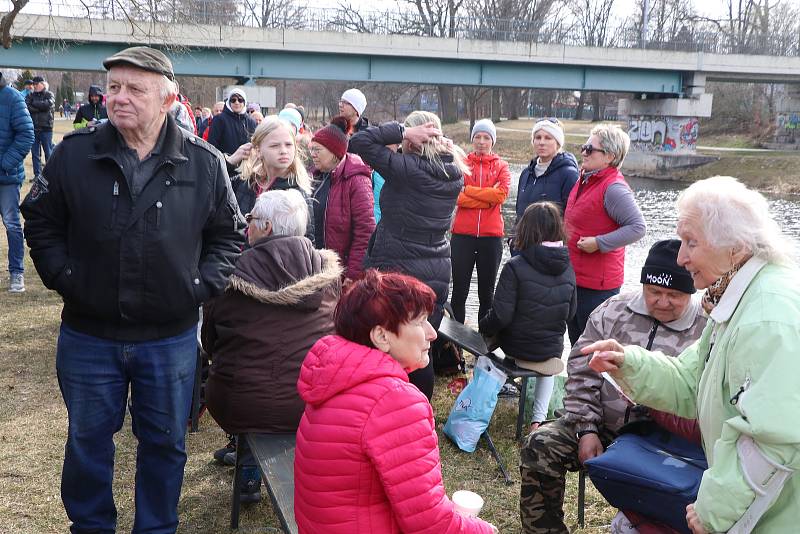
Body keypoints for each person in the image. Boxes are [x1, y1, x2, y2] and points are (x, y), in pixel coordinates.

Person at [20, 46, 245, 533]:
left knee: (165, 444)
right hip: (89, 336)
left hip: (170, 339)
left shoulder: (204, 163)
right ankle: (91, 526)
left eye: (134, 89)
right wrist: (64, 277)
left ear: (168, 99)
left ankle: (156, 528)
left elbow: (229, 234)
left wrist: (200, 285)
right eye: (113, 88)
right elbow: (39, 219)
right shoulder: (74, 154)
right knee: (87, 441)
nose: (118, 98)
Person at [587, 177, 800, 534]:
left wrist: (714, 508)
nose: (681, 257)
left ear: (733, 246)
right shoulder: (737, 299)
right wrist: (629, 363)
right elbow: (692, 382)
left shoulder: (766, 318)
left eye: (691, 243)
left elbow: (773, 441)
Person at [519, 238, 707, 534]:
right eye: (654, 291)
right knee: (540, 445)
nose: (662, 301)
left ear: (691, 292)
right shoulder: (614, 311)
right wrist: (586, 429)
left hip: (662, 440)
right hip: (602, 423)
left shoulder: (706, 327)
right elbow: (581, 371)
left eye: (674, 295)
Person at [294, 269, 498, 534]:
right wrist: (484, 530)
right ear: (381, 336)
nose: (432, 333)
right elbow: (429, 524)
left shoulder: (338, 377)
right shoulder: (394, 402)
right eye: (419, 321)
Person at [203, 189, 341, 503]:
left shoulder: (229, 275)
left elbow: (209, 342)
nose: (245, 224)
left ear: (265, 228)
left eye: (250, 219)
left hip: (241, 402)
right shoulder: (329, 274)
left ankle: (248, 470)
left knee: (242, 381)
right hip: (312, 400)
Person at [349, 111, 469, 400]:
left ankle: (385, 405)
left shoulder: (407, 169)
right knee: (419, 343)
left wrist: (401, 130)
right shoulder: (452, 170)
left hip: (399, 265)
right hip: (437, 265)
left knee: (388, 339)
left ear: (415, 139)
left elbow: (359, 143)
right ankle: (420, 412)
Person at [479, 201, 576, 429]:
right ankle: (537, 420)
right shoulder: (569, 267)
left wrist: (483, 326)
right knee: (547, 366)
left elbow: (501, 316)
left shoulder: (515, 266)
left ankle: (481, 403)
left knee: (484, 345)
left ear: (526, 229)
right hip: (550, 350)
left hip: (517, 348)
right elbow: (570, 313)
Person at [564, 123, 645, 345]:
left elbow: (638, 227)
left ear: (609, 156)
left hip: (597, 287)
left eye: (590, 149)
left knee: (592, 348)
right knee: (576, 344)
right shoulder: (585, 179)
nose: (583, 152)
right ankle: (578, 379)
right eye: (583, 147)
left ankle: (591, 381)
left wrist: (599, 243)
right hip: (576, 279)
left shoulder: (613, 188)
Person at [450, 118, 510, 323]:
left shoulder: (501, 166)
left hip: (491, 238)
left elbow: (501, 195)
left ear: (492, 141)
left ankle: (483, 345)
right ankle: (454, 345)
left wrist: (469, 191)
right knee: (459, 291)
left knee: (487, 294)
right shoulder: (461, 164)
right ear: (472, 139)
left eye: (486, 137)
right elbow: (456, 196)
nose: (481, 142)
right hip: (462, 236)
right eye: (477, 137)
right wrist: (486, 199)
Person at [226, 115, 315, 244]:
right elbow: (212, 192)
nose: (283, 151)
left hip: (273, 262)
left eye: (289, 144)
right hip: (235, 261)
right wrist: (229, 163)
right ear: (258, 150)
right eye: (274, 146)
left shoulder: (297, 193)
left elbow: (307, 243)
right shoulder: (246, 182)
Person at [309, 115, 375, 280]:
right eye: (312, 149)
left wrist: (352, 275)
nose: (313, 154)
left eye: (318, 150)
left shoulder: (357, 180)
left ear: (334, 152)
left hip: (341, 274)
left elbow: (365, 233)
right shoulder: (313, 177)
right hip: (314, 270)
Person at [0, 71, 34, 293]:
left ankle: (16, 273)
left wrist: (4, 163)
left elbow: (26, 134)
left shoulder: (12, 98)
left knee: (12, 224)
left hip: (7, 176)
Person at [515, 118, 578, 218]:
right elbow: (519, 213)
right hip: (523, 233)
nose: (542, 142)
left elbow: (571, 217)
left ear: (558, 143)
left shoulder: (569, 175)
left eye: (548, 138)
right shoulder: (526, 174)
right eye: (538, 137)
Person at [207, 88, 256, 156]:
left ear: (244, 102)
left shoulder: (251, 122)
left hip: (246, 163)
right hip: (225, 163)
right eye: (233, 100)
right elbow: (212, 144)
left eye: (240, 100)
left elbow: (255, 144)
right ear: (229, 102)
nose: (237, 102)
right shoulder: (219, 119)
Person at [25, 75, 55, 180]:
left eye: (36, 84)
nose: (35, 86)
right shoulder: (30, 95)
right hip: (33, 128)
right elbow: (27, 107)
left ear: (43, 84)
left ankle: (50, 175)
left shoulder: (49, 94)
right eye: (34, 84)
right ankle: (37, 175)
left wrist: (35, 104)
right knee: (35, 154)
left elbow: (48, 105)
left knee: (48, 153)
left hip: (46, 128)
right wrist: (40, 107)